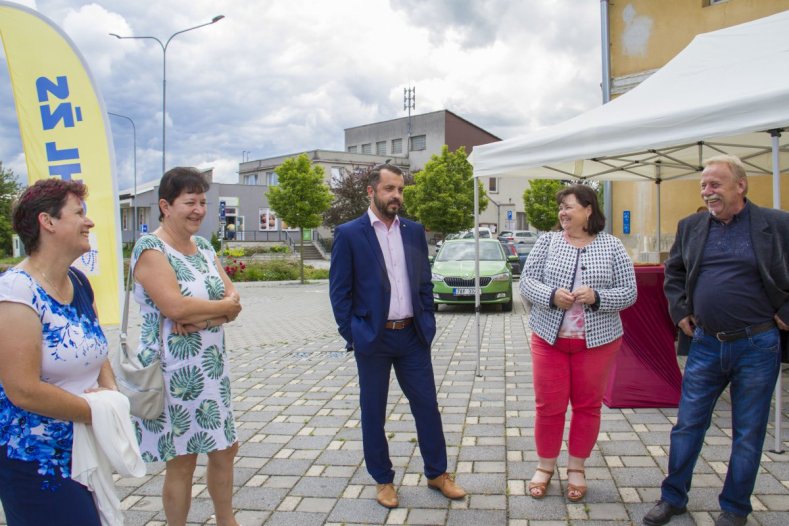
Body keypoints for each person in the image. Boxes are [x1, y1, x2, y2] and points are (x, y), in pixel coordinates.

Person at [642, 155, 789, 526]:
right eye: (704, 185)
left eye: (715, 184)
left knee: (748, 432)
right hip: (706, 343)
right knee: (688, 425)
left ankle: (735, 508)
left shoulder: (776, 223)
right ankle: (672, 498)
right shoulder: (691, 226)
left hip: (757, 345)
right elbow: (673, 273)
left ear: (740, 185)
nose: (708, 192)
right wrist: (680, 312)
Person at [329, 163, 467, 508]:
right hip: (373, 339)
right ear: (371, 191)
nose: (397, 196)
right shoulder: (349, 233)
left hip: (412, 337)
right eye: (390, 189)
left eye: (401, 190)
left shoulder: (413, 230)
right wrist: (354, 333)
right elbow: (339, 292)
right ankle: (383, 480)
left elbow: (424, 282)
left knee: (427, 407)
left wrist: (428, 323)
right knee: (373, 410)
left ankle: (437, 473)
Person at [0, 178, 116, 525]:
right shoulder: (17, 292)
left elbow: (97, 350)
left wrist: (110, 392)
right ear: (47, 222)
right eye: (79, 213)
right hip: (36, 458)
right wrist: (98, 411)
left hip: (83, 448)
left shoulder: (79, 281)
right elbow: (22, 390)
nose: (89, 221)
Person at [131, 167, 242, 526]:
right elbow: (174, 307)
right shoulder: (150, 248)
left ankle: (227, 521)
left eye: (203, 202)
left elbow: (234, 302)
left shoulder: (205, 247)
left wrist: (205, 317)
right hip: (174, 372)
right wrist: (215, 310)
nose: (198, 209)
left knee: (225, 448)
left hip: (211, 366)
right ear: (165, 205)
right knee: (183, 459)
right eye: (189, 202)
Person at [520, 184, 636, 502]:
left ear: (588, 209)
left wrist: (598, 297)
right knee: (548, 407)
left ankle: (576, 469)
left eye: (569, 206)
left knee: (587, 407)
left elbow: (629, 292)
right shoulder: (548, 241)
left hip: (597, 342)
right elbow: (527, 281)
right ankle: (544, 467)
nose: (563, 212)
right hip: (549, 339)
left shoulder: (612, 246)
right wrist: (550, 295)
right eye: (561, 206)